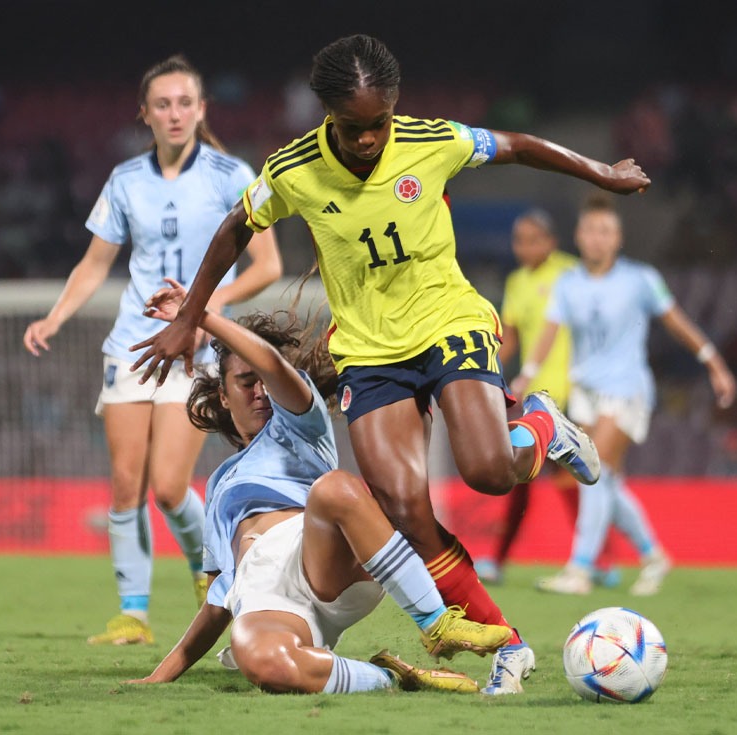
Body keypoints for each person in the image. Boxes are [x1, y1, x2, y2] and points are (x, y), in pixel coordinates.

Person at [130, 34, 648, 694]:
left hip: (447, 321)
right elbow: (237, 223)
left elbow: (515, 144)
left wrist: (601, 172)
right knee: (404, 509)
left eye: (379, 123)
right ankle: (507, 647)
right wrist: (188, 313)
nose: (369, 138)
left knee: (490, 471)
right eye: (354, 127)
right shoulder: (293, 168)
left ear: (394, 108)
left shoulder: (431, 141)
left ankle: (542, 425)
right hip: (370, 351)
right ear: (327, 114)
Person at [126, 279, 511, 694]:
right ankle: (392, 678)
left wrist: (199, 316)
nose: (260, 392)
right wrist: (162, 673)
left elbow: (274, 367)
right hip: (264, 596)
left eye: (263, 381)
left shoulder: (299, 424)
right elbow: (219, 598)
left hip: (322, 557)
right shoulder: (219, 483)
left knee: (333, 490)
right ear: (223, 396)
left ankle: (434, 622)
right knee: (264, 665)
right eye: (244, 383)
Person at [21, 55, 283, 645]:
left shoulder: (232, 174)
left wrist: (198, 310)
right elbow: (94, 265)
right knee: (123, 485)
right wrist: (55, 317)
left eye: (185, 102)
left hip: (194, 348)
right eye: (162, 104)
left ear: (201, 109)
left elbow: (268, 265)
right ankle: (133, 615)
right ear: (145, 113)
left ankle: (203, 568)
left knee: (168, 487)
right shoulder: (125, 181)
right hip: (130, 348)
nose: (174, 113)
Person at [512, 194, 737, 596]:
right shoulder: (567, 283)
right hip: (585, 392)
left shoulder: (641, 279)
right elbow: (548, 334)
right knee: (606, 480)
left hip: (627, 389)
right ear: (579, 236)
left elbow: (677, 322)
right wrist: (524, 376)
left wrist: (714, 363)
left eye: (606, 231)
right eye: (591, 231)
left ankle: (579, 569)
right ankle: (653, 555)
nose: (598, 239)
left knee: (594, 477)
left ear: (618, 238)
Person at [475, 209, 621, 588]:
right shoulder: (517, 282)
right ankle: (499, 559)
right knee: (520, 474)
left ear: (551, 242)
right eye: (518, 240)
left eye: (532, 239)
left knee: (577, 475)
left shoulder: (571, 273)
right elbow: (510, 338)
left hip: (573, 391)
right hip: (533, 395)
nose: (524, 247)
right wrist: (482, 374)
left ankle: (595, 560)